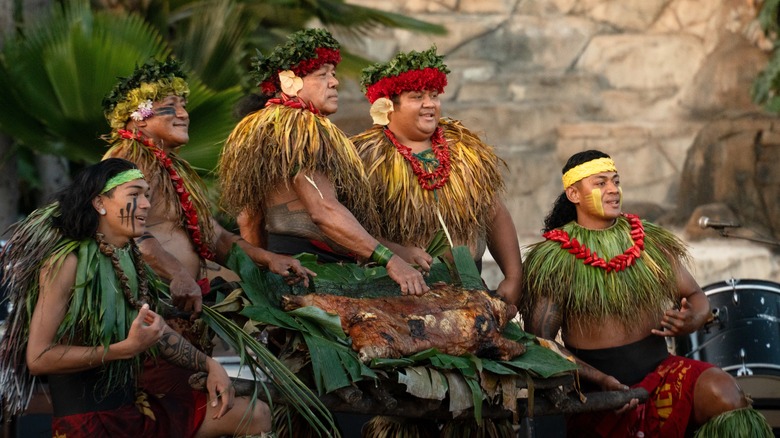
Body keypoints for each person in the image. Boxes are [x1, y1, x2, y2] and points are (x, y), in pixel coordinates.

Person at [0, 159, 271, 437]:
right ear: (99, 203)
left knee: (253, 414)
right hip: (88, 424)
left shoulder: (128, 257)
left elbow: (154, 330)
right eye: (134, 194)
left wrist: (210, 365)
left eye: (146, 195)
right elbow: (39, 357)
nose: (145, 204)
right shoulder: (67, 263)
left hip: (136, 410)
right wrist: (124, 349)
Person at [101, 58, 314, 406]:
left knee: (193, 405)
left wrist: (269, 258)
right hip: (148, 313)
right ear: (136, 118)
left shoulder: (176, 168)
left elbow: (216, 238)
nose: (183, 114)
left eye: (184, 106)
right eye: (170, 108)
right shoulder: (126, 163)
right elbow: (131, 237)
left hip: (185, 309)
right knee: (170, 413)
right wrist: (179, 274)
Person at [521, 150, 772, 437]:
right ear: (574, 194)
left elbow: (697, 297)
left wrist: (694, 319)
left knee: (727, 394)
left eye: (615, 181)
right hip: (595, 390)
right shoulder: (554, 258)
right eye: (600, 183)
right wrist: (600, 379)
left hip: (662, 375)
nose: (613, 189)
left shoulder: (646, 241)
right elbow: (540, 342)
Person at [218, 28, 428, 296]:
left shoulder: (265, 129)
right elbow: (323, 210)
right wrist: (391, 260)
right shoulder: (298, 130)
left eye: (333, 74)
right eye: (322, 75)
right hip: (310, 268)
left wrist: (261, 276)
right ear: (290, 83)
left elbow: (250, 217)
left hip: (294, 264)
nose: (334, 82)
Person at [351, 46, 522, 306]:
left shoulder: (465, 149)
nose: (430, 104)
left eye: (433, 95)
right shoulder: (366, 158)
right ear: (387, 105)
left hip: (470, 288)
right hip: (398, 293)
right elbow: (348, 228)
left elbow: (494, 212)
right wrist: (395, 252)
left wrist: (513, 275)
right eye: (417, 96)